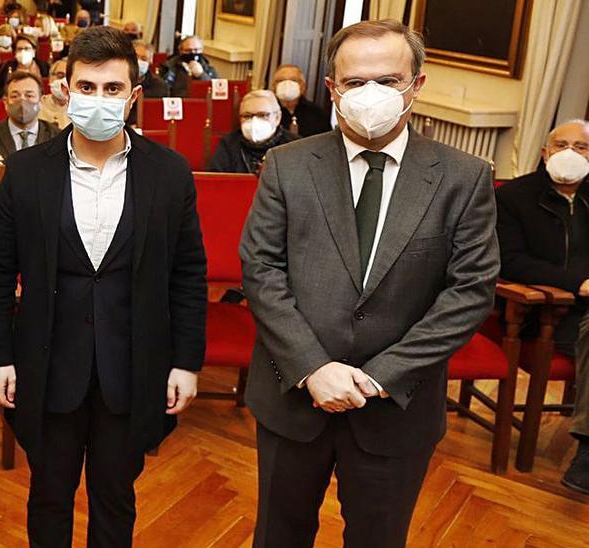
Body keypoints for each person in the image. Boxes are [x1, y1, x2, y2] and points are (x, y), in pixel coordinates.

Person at [239, 20, 499, 548]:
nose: (372, 95)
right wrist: (312, 367)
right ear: (333, 88)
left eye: (390, 80)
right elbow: (262, 271)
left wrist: (379, 376)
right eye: (356, 82)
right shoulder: (287, 166)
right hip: (294, 398)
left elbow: (469, 292)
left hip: (396, 406)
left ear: (417, 85)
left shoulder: (463, 177)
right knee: (278, 537)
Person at [0, 25, 205, 547]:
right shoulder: (26, 170)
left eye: (111, 89)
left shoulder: (169, 173)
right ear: (65, 90)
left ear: (133, 97)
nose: (98, 100)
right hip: (48, 361)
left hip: (132, 365)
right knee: (49, 496)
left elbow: (188, 274)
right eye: (87, 87)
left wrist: (186, 362)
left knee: (115, 498)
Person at [495, 120, 589, 494]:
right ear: (545, 153)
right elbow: (509, 260)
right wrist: (576, 284)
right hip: (540, 313)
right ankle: (587, 451)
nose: (570, 153)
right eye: (561, 144)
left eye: (580, 147)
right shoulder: (514, 196)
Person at [0, 71, 57, 215]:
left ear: (41, 102)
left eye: (29, 96)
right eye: (15, 96)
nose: (22, 101)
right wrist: (1, 215)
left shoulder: (57, 137)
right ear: (5, 102)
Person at [207, 90, 297, 174]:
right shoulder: (228, 143)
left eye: (262, 115)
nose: (254, 121)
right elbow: (216, 180)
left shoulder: (294, 144)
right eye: (247, 116)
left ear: (277, 117)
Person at [271, 64, 331, 137]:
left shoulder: (317, 114)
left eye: (293, 80)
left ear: (303, 86)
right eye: (281, 80)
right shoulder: (267, 113)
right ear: (273, 86)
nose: (287, 84)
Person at [39, 58, 71, 128]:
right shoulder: (38, 104)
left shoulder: (80, 109)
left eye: (69, 78)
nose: (64, 81)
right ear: (50, 78)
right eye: (60, 76)